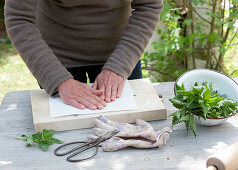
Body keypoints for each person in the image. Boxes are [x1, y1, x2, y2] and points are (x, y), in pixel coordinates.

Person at [4, 0, 163, 110]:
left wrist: (118, 67)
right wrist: (58, 80)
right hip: (56, 59)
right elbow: (19, 19)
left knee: (129, 127)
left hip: (121, 53)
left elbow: (149, 5)